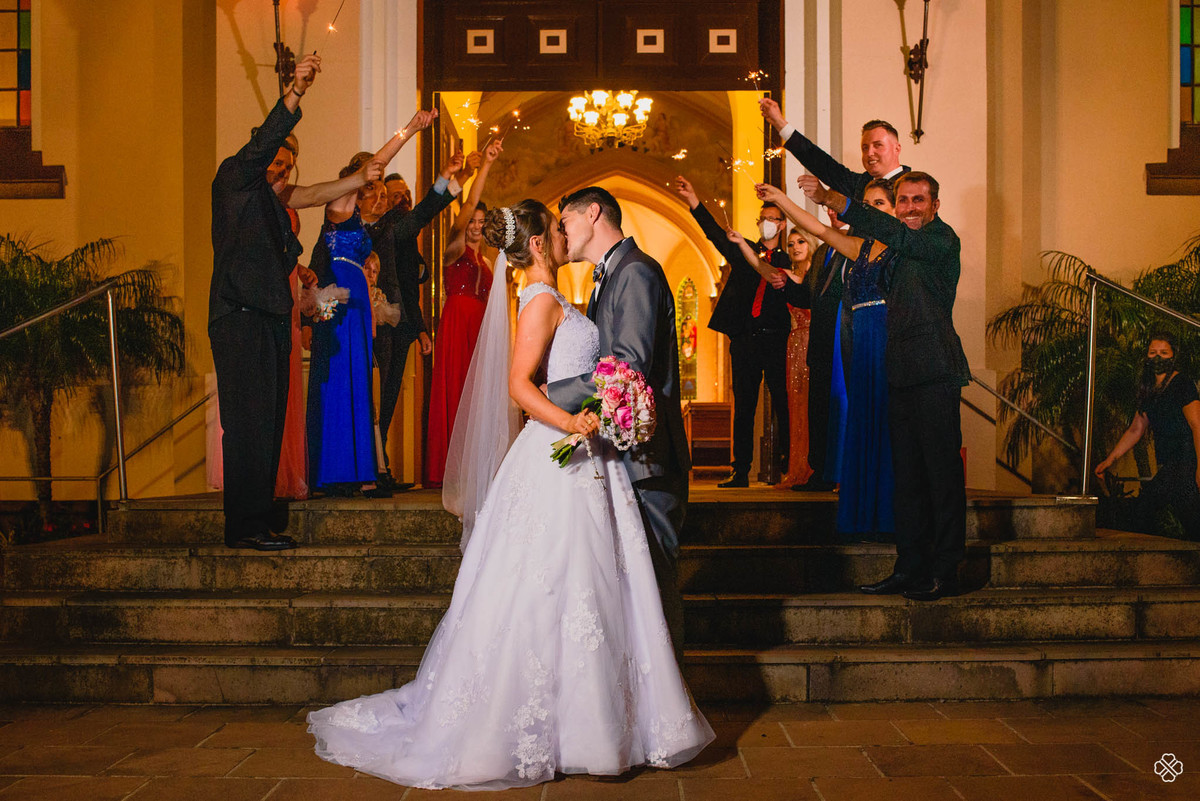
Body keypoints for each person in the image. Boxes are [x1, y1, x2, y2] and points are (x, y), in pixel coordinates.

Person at [309, 200, 714, 789]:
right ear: (538, 241)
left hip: (591, 457)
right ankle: (573, 725)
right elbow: (522, 385)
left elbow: (607, 365)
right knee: (556, 584)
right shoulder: (540, 299)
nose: (564, 233)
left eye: (566, 223)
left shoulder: (574, 290)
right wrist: (571, 420)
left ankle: (608, 720)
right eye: (556, 227)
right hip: (566, 450)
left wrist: (589, 414)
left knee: (594, 586)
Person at [209, 55, 381, 551]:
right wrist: (295, 92)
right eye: (274, 160)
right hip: (237, 318)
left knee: (269, 421)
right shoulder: (233, 181)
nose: (280, 168)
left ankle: (261, 517)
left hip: (269, 318)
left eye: (286, 163)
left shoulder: (272, 202)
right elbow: (263, 144)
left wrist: (358, 180)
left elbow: (310, 194)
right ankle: (244, 526)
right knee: (246, 424)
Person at [802, 171, 970, 601]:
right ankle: (909, 568)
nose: (910, 207)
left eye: (919, 200)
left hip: (934, 372)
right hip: (898, 373)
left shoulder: (940, 240)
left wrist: (838, 201)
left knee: (941, 478)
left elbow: (895, 235)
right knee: (908, 481)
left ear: (935, 206)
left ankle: (945, 571)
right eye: (904, 201)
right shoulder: (895, 249)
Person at [552, 186, 692, 662]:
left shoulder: (635, 272)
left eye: (564, 222)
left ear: (592, 214)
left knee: (655, 577)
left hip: (648, 455)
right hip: (621, 452)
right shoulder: (608, 276)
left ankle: (671, 698)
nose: (560, 233)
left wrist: (547, 395)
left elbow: (628, 366)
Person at [757, 178, 900, 542]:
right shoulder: (855, 247)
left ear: (894, 208)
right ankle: (864, 512)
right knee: (861, 421)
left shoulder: (903, 247)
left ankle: (889, 514)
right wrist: (782, 200)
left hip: (886, 337)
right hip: (856, 337)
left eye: (880, 204)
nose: (871, 210)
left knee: (885, 424)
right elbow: (817, 227)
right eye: (867, 204)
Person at [307, 110, 439, 498]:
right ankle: (332, 470)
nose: (377, 183)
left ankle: (359, 467)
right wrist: (410, 130)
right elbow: (376, 162)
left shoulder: (365, 220)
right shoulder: (339, 202)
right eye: (371, 178)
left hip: (361, 304)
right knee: (336, 380)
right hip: (341, 303)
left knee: (360, 382)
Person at [365, 153, 473, 489]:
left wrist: (422, 329)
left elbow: (411, 288)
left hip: (403, 323)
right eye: (387, 196)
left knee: (390, 397)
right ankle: (373, 469)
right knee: (375, 399)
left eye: (398, 196)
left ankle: (379, 465)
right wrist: (449, 179)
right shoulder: (380, 229)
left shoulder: (399, 232)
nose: (396, 202)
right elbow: (425, 212)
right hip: (374, 322)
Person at [675, 175, 791, 488]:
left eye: (772, 219)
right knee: (744, 407)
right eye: (762, 219)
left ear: (781, 225)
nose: (766, 223)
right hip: (745, 339)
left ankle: (787, 465)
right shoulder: (743, 250)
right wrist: (694, 201)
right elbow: (714, 234)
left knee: (783, 402)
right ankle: (740, 470)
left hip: (778, 339)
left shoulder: (790, 256)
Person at [424, 138, 504, 488]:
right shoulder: (455, 249)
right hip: (457, 326)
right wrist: (483, 165)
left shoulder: (486, 261)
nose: (476, 225)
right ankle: (449, 469)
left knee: (477, 398)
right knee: (456, 391)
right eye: (473, 220)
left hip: (480, 331)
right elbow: (469, 202)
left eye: (482, 222)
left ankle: (475, 467)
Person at [732, 228, 816, 489]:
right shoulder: (786, 275)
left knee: (808, 408)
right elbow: (760, 266)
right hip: (793, 347)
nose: (795, 248)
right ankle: (795, 468)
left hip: (813, 345)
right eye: (791, 244)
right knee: (795, 408)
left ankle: (814, 468)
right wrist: (739, 242)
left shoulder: (818, 275)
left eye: (801, 241)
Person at [1095, 334, 1200, 539]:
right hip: (1169, 464)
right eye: (1153, 353)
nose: (1157, 358)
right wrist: (1109, 460)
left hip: (1185, 461)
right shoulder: (1149, 389)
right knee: (1190, 519)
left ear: (1173, 356)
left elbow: (1197, 426)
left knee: (1145, 510)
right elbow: (1136, 429)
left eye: (1163, 353)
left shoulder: (1182, 384)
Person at [759, 98, 909, 201]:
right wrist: (780, 124)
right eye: (865, 147)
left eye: (878, 145)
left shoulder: (913, 186)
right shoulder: (860, 183)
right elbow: (822, 163)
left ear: (897, 148)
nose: (869, 153)